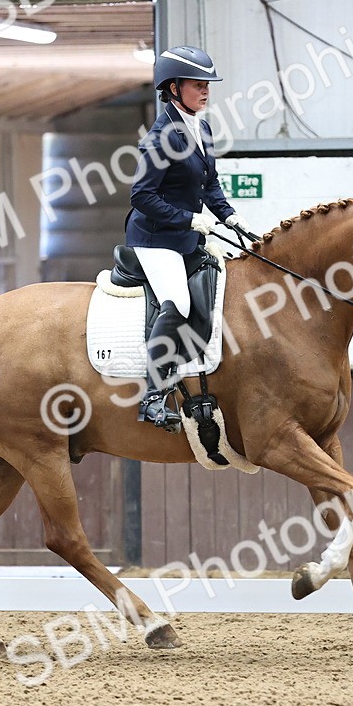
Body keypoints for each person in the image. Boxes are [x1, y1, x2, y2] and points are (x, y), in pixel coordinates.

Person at [125, 45, 252, 431]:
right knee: (177, 302)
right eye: (198, 84)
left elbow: (208, 181)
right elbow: (141, 196)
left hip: (185, 236)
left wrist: (229, 215)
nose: (206, 90)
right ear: (174, 88)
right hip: (154, 239)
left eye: (207, 84)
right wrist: (190, 219)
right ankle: (152, 396)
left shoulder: (202, 127)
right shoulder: (161, 137)